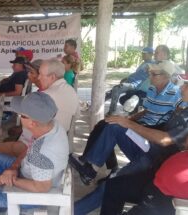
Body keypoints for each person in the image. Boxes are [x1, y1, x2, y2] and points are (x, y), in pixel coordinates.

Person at [73, 74, 188, 215]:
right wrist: (129, 121)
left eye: (186, 85)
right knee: (112, 125)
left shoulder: (180, 105)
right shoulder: (182, 108)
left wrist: (129, 124)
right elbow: (153, 118)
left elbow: (165, 139)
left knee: (110, 186)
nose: (181, 87)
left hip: (157, 162)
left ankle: (72, 211)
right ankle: (90, 168)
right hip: (151, 148)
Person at [70, 60, 183, 185]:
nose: (149, 76)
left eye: (153, 74)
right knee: (106, 123)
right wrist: (128, 119)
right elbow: (146, 111)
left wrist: (127, 123)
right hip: (142, 125)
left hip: (151, 133)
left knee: (114, 128)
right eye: (150, 73)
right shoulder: (152, 89)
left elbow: (179, 118)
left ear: (165, 76)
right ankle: (95, 163)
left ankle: (90, 170)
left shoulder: (176, 94)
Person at [106, 47, 155, 116]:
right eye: (142, 53)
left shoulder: (152, 64)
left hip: (135, 85)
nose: (142, 55)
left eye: (145, 53)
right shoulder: (144, 63)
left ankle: (111, 112)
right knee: (111, 92)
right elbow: (137, 74)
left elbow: (152, 72)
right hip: (130, 82)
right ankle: (95, 104)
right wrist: (127, 78)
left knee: (116, 89)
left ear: (151, 54)